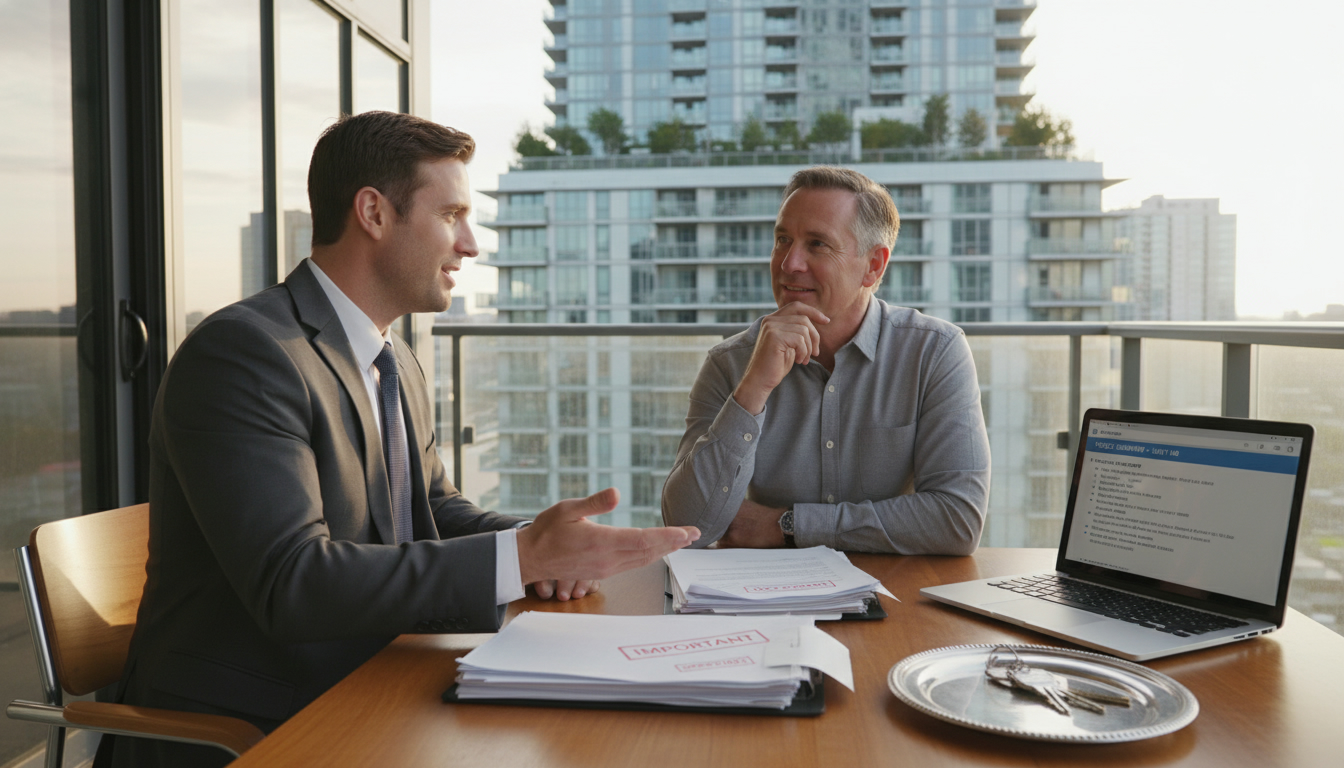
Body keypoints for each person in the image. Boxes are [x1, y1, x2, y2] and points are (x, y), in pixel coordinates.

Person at [102, 112, 698, 767]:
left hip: (376, 680)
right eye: (451, 215)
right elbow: (293, 582)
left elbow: (432, 509)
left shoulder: (395, 358)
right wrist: (520, 558)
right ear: (374, 213)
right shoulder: (246, 355)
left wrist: (544, 545)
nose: (471, 244)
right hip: (252, 726)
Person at [661, 165, 989, 555]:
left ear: (874, 266)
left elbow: (957, 520)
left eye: (817, 244)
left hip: (894, 595)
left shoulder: (935, 352)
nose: (788, 264)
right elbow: (689, 526)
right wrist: (753, 390)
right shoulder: (730, 363)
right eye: (783, 239)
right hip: (767, 598)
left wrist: (789, 525)